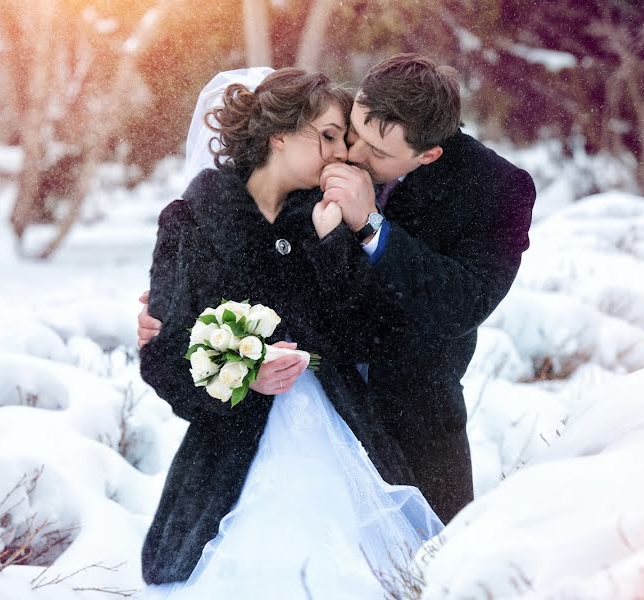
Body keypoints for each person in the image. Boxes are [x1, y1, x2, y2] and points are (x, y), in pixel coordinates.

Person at [138, 54, 536, 525]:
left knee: (425, 570)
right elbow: (256, 254)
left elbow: (459, 304)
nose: (353, 154)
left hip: (413, 416)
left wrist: (371, 226)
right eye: (353, 131)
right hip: (283, 423)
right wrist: (187, 316)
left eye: (379, 152)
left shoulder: (495, 189)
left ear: (428, 154)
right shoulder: (304, 160)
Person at [138, 67, 442, 598]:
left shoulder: (327, 216)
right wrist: (240, 376)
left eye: (341, 139)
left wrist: (331, 246)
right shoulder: (192, 220)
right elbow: (164, 354)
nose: (339, 152)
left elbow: (361, 338)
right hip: (232, 450)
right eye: (326, 135)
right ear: (279, 134)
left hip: (338, 434)